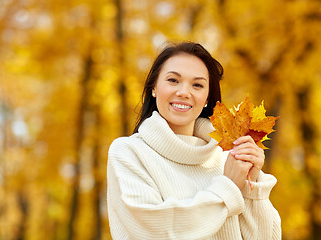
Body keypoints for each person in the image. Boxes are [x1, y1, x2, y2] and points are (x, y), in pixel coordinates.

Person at [107, 41, 281, 239]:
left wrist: (253, 185)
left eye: (197, 85)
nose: (183, 92)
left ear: (207, 97)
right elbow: (153, 231)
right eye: (173, 80)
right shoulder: (129, 152)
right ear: (153, 87)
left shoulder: (228, 158)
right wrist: (227, 188)